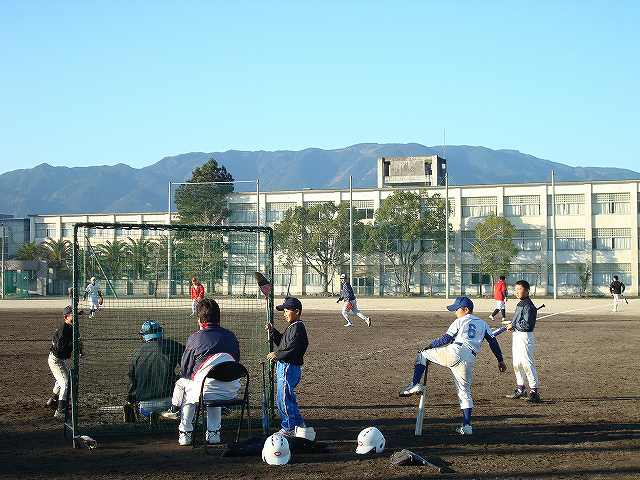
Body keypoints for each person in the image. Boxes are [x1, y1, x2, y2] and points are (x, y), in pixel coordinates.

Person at [399, 296, 506, 435]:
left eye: (457, 309)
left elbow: (446, 338)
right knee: (465, 392)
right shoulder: (483, 323)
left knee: (422, 355)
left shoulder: (460, 321)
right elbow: (493, 342)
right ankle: (467, 426)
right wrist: (500, 360)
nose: (455, 312)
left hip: (455, 351)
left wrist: (429, 346)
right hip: (469, 358)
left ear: (466, 310)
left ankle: (414, 384)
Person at [163, 298, 241, 446]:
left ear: (199, 319)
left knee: (187, 387)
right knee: (210, 387)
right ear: (218, 318)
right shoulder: (231, 336)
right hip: (230, 390)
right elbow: (236, 361)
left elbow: (185, 370)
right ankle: (213, 434)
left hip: (205, 390)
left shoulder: (195, 338)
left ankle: (185, 432)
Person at [265, 297, 309, 437]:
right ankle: (299, 425)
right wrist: (273, 331)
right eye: (283, 311)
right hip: (287, 366)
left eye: (286, 311)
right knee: (288, 398)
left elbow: (292, 348)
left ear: (297, 311)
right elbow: (283, 343)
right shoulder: (293, 326)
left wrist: (277, 354)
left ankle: (289, 427)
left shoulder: (297, 328)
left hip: (288, 367)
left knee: (284, 398)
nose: (284, 314)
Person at [126, 321, 185, 420]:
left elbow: (132, 381)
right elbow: (188, 365)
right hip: (170, 401)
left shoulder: (137, 353)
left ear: (144, 336)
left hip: (145, 405)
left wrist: (130, 400)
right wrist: (178, 378)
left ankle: (158, 415)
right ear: (161, 332)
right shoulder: (173, 345)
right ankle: (165, 414)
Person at [505, 280, 541, 403]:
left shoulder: (528, 305)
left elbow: (527, 325)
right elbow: (518, 321)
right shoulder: (521, 303)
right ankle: (521, 388)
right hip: (517, 336)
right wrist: (512, 325)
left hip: (525, 337)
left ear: (527, 291)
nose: (516, 292)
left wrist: (513, 325)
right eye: (515, 289)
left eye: (519, 289)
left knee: (527, 363)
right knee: (517, 363)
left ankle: (534, 391)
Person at [47, 305, 74, 419]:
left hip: (58, 359)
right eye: (73, 314)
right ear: (66, 317)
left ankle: (53, 400)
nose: (75, 316)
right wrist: (73, 344)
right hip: (55, 360)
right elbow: (60, 348)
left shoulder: (68, 326)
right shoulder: (64, 329)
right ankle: (60, 410)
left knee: (61, 379)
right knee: (65, 384)